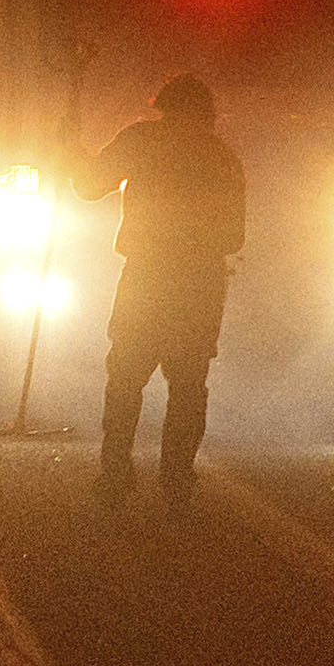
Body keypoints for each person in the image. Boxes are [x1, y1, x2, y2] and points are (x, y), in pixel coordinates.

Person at [76, 74, 247, 501]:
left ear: (163, 105)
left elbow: (87, 186)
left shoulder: (142, 139)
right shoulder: (220, 155)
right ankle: (177, 479)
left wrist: (71, 152)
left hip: (146, 275)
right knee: (189, 383)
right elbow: (234, 237)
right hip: (200, 281)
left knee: (125, 377)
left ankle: (115, 473)